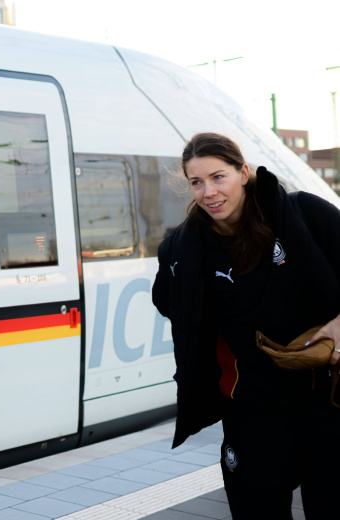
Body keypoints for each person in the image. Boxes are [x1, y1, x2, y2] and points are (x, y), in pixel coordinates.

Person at [152, 132, 340, 519]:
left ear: (243, 173)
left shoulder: (303, 213)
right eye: (196, 182)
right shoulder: (182, 248)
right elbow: (168, 304)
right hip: (251, 411)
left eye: (218, 177)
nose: (208, 192)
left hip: (328, 401)